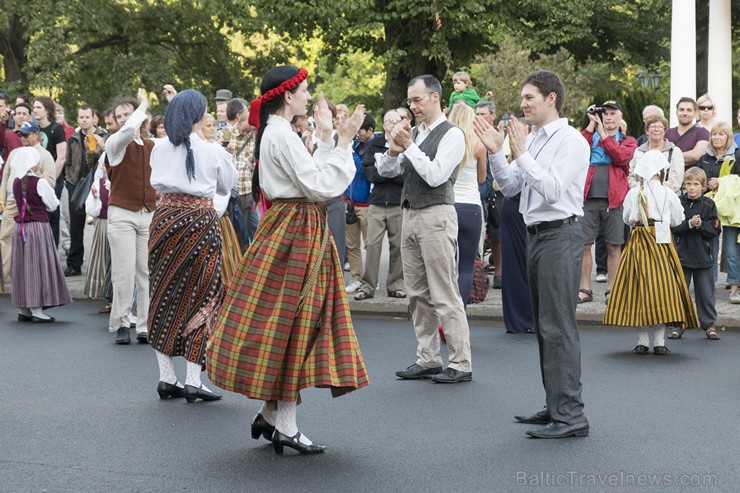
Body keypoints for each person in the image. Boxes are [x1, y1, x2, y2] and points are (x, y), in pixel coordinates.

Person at [207, 66, 369, 455]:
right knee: (297, 322)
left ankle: (269, 414)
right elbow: (319, 185)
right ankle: (286, 425)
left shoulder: (277, 131)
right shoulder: (280, 133)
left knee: (289, 320)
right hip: (296, 228)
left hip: (290, 226)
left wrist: (330, 135)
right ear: (288, 95)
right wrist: (344, 142)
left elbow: (311, 174)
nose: (309, 96)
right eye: (305, 90)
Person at [474, 70, 590, 438]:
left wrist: (520, 152)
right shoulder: (536, 138)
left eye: (529, 97)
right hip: (537, 236)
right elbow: (510, 186)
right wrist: (496, 152)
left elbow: (553, 190)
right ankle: (556, 404)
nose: (523, 104)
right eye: (523, 97)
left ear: (551, 98)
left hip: (561, 233)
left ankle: (571, 416)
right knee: (545, 327)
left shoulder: (570, 140)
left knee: (558, 327)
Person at [378, 74, 473, 384]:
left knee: (445, 292)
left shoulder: (453, 134)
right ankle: (428, 358)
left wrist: (410, 147)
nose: (412, 106)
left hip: (437, 215)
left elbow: (435, 176)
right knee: (417, 293)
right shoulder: (414, 133)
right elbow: (387, 171)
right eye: (409, 101)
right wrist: (394, 149)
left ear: (435, 97)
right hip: (411, 215)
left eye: (417, 100)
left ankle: (460, 362)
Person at [147, 88, 237, 403]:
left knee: (163, 293)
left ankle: (166, 376)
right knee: (204, 295)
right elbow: (227, 185)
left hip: (165, 220)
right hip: (200, 221)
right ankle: (192, 380)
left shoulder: (158, 147)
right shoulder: (213, 151)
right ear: (200, 116)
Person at [604, 150, 699, 353]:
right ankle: (660, 342)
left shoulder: (634, 193)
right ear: (661, 171)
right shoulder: (668, 193)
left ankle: (642, 341)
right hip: (662, 242)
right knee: (662, 288)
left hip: (639, 240)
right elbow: (678, 220)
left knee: (639, 288)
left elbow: (628, 218)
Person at [104, 91, 157, 345]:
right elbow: (126, 133)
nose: (124, 119)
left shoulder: (151, 145)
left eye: (128, 114)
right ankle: (121, 323)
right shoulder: (114, 143)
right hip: (122, 214)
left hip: (147, 214)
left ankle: (145, 325)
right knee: (123, 273)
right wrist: (143, 104)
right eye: (119, 116)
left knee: (145, 272)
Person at [578, 100, 637, 304]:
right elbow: (577, 149)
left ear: (620, 118)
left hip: (615, 200)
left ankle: (614, 289)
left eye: (613, 114)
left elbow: (620, 157)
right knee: (585, 245)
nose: (609, 117)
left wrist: (603, 135)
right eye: (606, 114)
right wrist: (591, 124)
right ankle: (584, 288)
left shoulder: (628, 141)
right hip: (588, 199)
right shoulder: (591, 136)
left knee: (614, 245)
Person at [10, 147, 72, 322]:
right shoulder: (39, 182)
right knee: (37, 266)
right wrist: (45, 184)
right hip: (37, 228)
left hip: (20, 228)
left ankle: (24, 309)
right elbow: (52, 205)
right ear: (34, 162)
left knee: (23, 266)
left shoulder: (15, 182)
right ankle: (37, 310)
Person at [354, 110, 406, 301]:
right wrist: (390, 173)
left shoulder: (406, 144)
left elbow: (406, 174)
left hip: (397, 202)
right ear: (383, 125)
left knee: (398, 246)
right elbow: (369, 171)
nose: (393, 124)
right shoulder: (374, 145)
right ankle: (368, 286)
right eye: (389, 121)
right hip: (376, 202)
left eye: (396, 121)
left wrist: (386, 172)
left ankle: (395, 285)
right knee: (373, 245)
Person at [0, 122, 56, 287]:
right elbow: (6, 178)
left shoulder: (44, 155)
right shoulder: (15, 153)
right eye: (20, 135)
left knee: (32, 242)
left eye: (26, 135)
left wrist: (37, 182)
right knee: (5, 237)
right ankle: (5, 277)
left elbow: (50, 182)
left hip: (32, 204)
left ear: (35, 134)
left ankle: (33, 277)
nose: (22, 138)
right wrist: (1, 199)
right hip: (11, 202)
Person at [669, 167, 721, 340]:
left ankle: (709, 324)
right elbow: (673, 228)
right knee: (680, 292)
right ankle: (678, 325)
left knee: (706, 293)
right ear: (684, 185)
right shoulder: (678, 202)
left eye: (696, 184)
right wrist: (689, 224)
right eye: (689, 184)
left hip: (703, 257)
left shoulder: (709, 204)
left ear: (703, 186)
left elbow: (715, 229)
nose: (692, 188)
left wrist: (701, 225)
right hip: (681, 255)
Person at [448, 103, 486, 307]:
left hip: (448, 205)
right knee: (466, 266)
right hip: (471, 206)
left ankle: (444, 313)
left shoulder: (445, 144)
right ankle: (459, 313)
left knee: (446, 266)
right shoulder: (478, 145)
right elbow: (482, 179)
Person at [697, 121, 740, 298]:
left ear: (728, 137)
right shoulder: (704, 158)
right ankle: (709, 286)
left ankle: (735, 288)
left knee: (731, 251)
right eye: (714, 134)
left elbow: (738, 180)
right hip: (709, 208)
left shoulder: (737, 156)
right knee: (709, 249)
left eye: (721, 134)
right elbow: (698, 178)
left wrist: (720, 182)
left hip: (730, 209)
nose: (717, 137)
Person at [63, 105, 107, 277]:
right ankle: (74, 265)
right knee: (75, 226)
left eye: (87, 117)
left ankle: (100, 266)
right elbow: (68, 162)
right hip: (76, 185)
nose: (84, 120)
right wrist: (69, 181)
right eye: (81, 117)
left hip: (96, 184)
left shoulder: (102, 136)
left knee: (99, 225)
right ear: (77, 119)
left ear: (93, 118)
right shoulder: (73, 138)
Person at [344, 114, 373, 294]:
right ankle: (356, 278)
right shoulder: (354, 145)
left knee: (370, 244)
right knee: (352, 245)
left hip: (367, 204)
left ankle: (371, 280)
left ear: (370, 130)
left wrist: (350, 155)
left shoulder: (375, 146)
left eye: (360, 130)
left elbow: (363, 169)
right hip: (351, 202)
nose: (358, 133)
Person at [33, 96, 67, 246]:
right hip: (35, 179)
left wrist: (50, 180)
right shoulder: (34, 129)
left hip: (53, 180)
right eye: (34, 107)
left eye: (38, 107)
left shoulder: (56, 129)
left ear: (47, 110)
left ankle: (52, 254)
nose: (35, 110)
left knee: (52, 217)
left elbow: (61, 158)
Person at [629, 115, 684, 193]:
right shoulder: (638, 151)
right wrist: (643, 189)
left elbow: (676, 181)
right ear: (647, 131)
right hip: (642, 197)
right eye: (653, 126)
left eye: (660, 127)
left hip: (667, 197)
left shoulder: (675, 151)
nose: (656, 129)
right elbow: (631, 177)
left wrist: (655, 190)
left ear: (664, 131)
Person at [665, 97, 710, 167]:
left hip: (692, 176)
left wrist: (668, 157)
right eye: (681, 110)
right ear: (676, 112)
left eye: (689, 110)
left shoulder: (702, 133)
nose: (685, 113)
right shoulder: (667, 133)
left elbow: (696, 155)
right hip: (670, 176)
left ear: (695, 113)